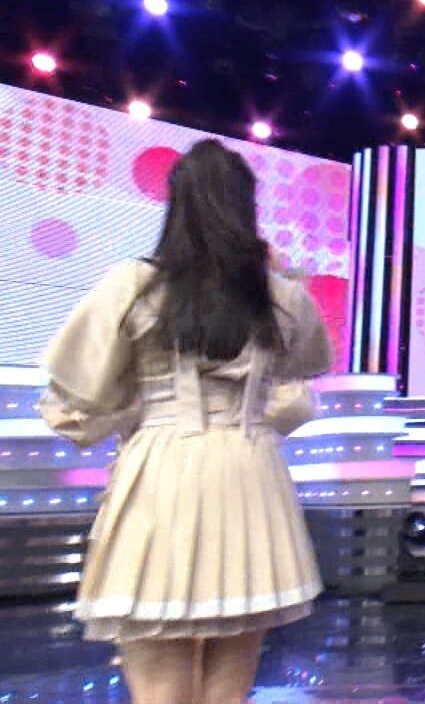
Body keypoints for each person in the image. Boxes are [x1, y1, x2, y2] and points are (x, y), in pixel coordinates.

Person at [38, 139, 334, 703]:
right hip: (249, 476)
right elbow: (307, 365)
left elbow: (82, 393)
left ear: (176, 204)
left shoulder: (133, 285)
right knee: (232, 677)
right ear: (246, 207)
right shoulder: (281, 297)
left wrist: (126, 409)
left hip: (162, 474)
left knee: (159, 675)